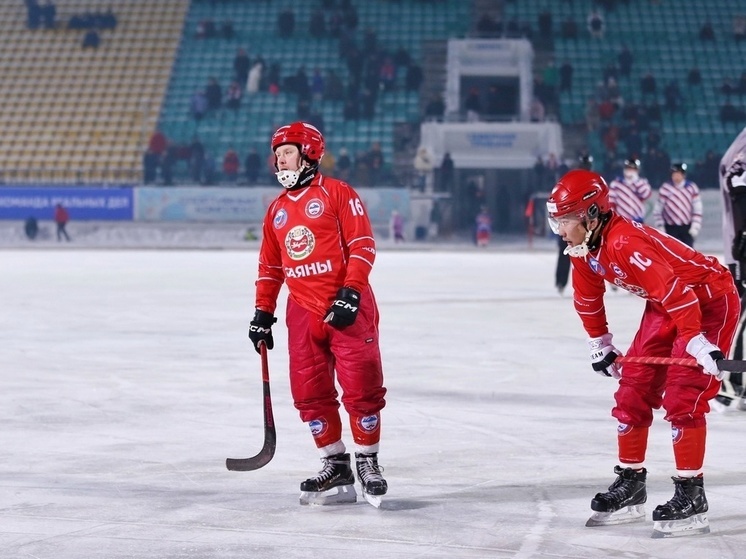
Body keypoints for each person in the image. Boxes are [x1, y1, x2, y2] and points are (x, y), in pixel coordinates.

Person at [547, 169, 739, 538]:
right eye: (555, 220)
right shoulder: (583, 248)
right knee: (633, 388)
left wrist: (698, 343)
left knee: (684, 393)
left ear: (590, 214)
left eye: (565, 221)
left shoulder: (624, 242)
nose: (560, 230)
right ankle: (631, 482)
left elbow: (678, 291)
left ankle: (691, 492)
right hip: (667, 301)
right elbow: (587, 297)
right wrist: (599, 341)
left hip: (707, 297)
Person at [248, 122, 388, 506]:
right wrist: (263, 312)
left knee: (362, 387)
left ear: (309, 152)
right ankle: (336, 464)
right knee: (309, 393)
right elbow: (270, 268)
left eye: (287, 152)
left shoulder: (338, 193)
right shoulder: (276, 210)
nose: (279, 160)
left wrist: (350, 292)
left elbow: (362, 244)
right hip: (302, 311)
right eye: (276, 155)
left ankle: (367, 461)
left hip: (347, 307)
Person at [718, 126, 746, 409]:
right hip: (742, 250)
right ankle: (728, 384)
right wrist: (743, 237)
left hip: (740, 244)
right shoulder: (742, 152)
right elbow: (738, 186)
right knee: (740, 314)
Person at [652, 163, 702, 247]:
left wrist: (695, 226)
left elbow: (697, 209)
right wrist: (660, 226)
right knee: (670, 254)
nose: (676, 176)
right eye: (674, 174)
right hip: (670, 228)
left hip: (686, 228)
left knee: (688, 254)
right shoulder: (666, 188)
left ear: (683, 175)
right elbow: (657, 210)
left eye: (678, 174)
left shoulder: (691, 188)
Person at [608, 159, 652, 223]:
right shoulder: (616, 184)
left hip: (638, 221)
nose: (630, 170)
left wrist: (636, 181)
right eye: (628, 168)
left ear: (637, 170)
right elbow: (611, 202)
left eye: (633, 169)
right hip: (622, 221)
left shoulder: (642, 183)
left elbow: (646, 194)